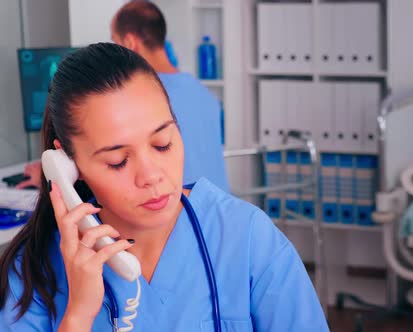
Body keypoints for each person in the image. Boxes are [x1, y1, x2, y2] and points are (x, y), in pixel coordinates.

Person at [0, 43, 328, 331]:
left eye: (162, 144)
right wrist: (78, 316)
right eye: (117, 161)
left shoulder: (248, 240)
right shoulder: (33, 272)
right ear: (69, 165)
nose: (152, 176)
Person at [16, 0, 228, 192]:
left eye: (115, 41)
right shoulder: (202, 92)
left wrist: (51, 178)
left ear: (129, 42)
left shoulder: (142, 101)